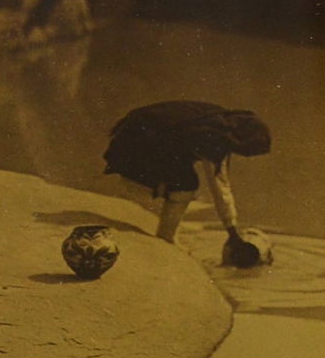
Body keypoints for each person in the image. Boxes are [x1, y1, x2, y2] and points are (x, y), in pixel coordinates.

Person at [103, 100, 274, 267]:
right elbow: (219, 187)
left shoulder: (218, 122)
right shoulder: (213, 136)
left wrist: (232, 231)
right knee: (186, 182)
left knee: (181, 175)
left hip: (138, 133)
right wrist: (232, 231)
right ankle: (166, 237)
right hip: (139, 142)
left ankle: (164, 230)